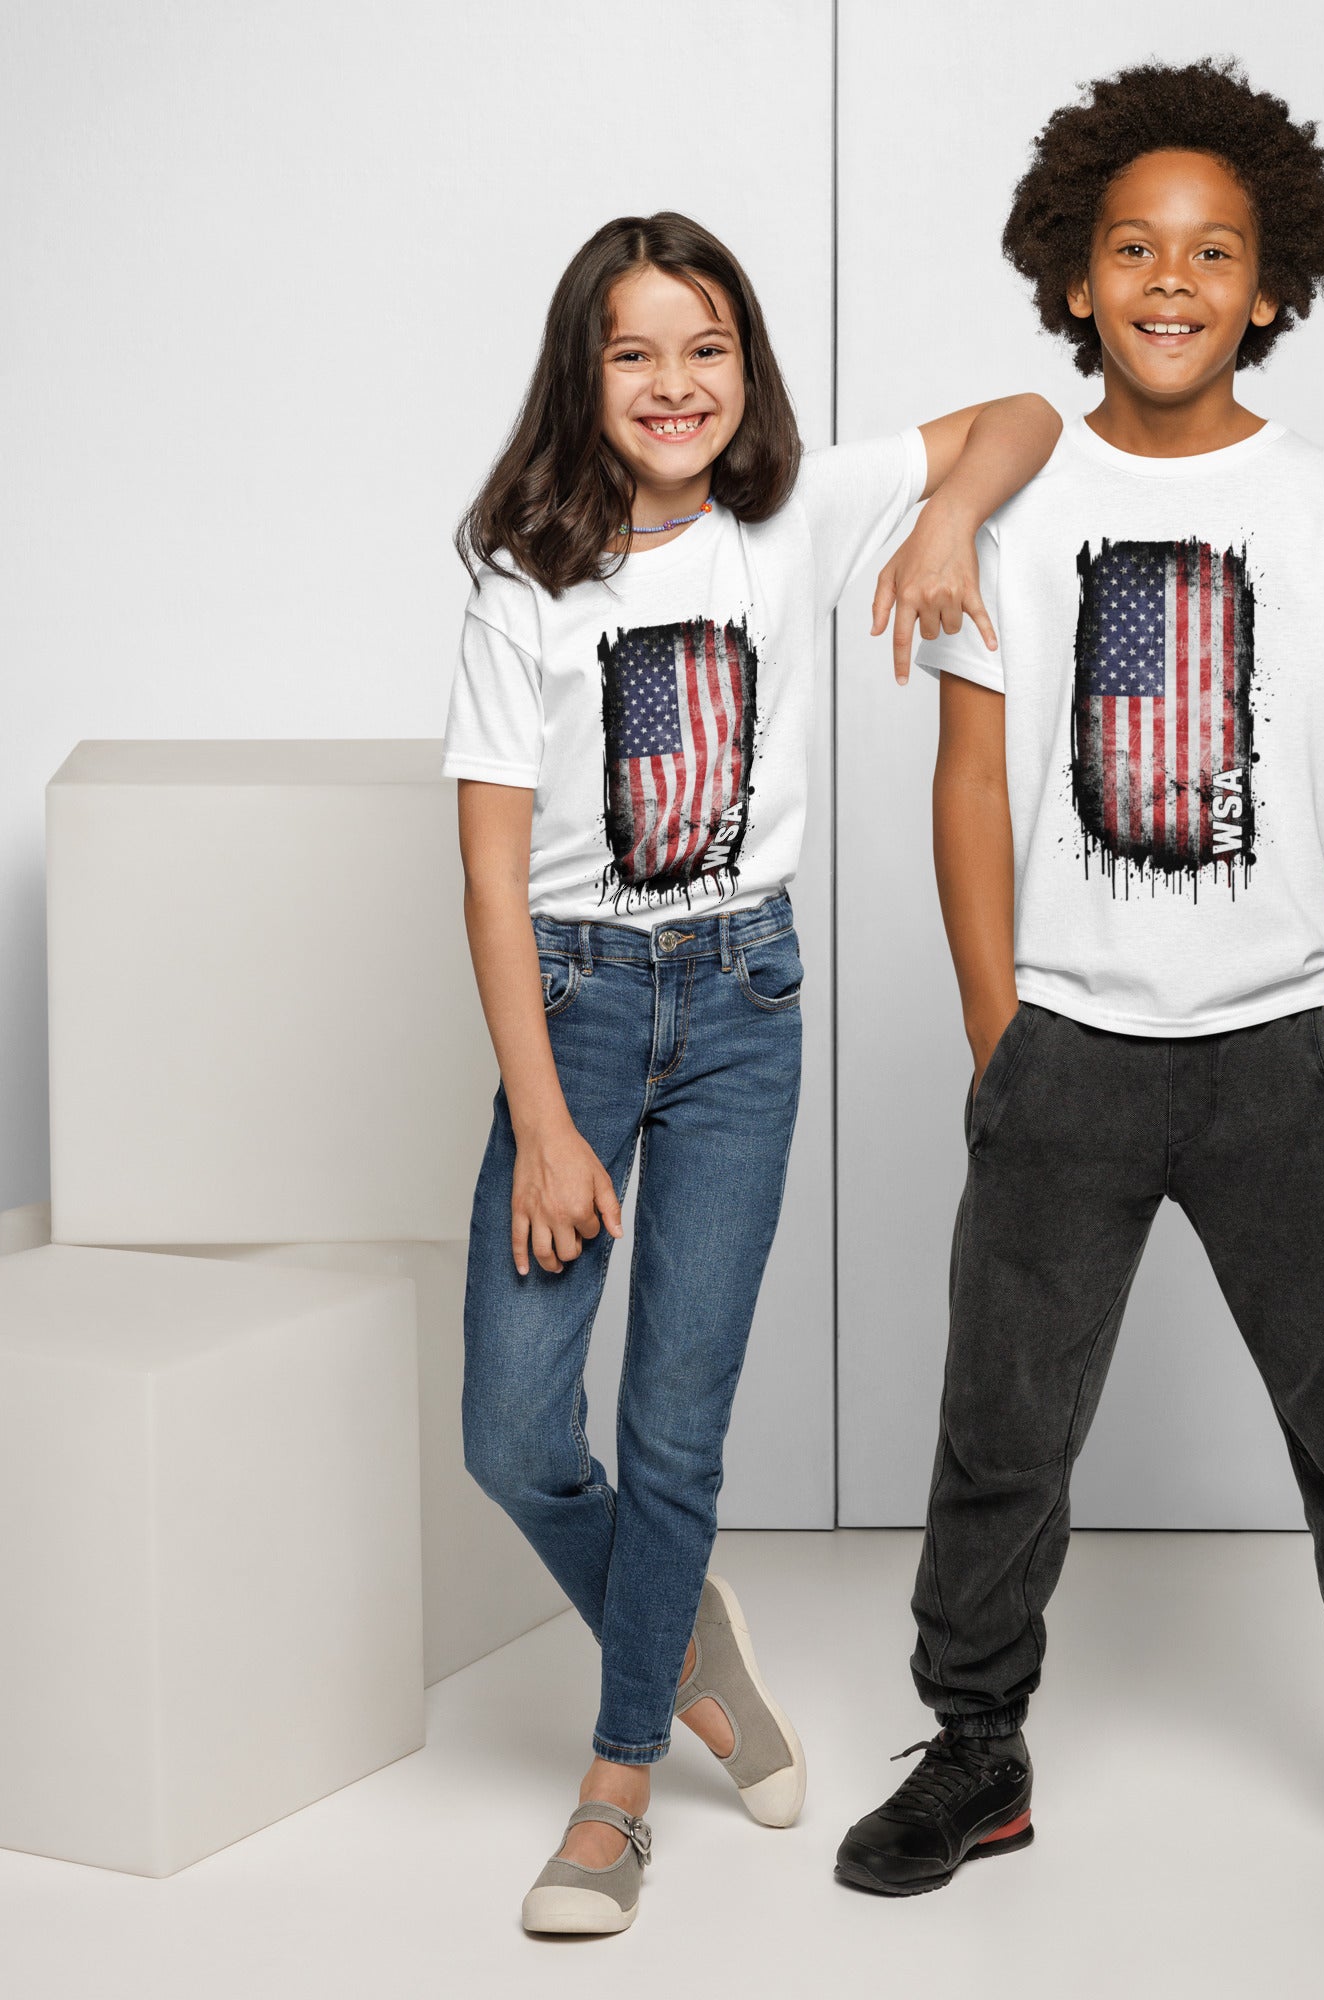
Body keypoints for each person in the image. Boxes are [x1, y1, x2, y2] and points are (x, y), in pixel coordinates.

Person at [834, 62, 1324, 1926]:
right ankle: (976, 1747)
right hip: (1070, 1051)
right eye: (1134, 248)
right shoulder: (1012, 503)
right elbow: (972, 776)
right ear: (1075, 277)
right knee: (1002, 1427)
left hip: (1280, 1046)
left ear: (1271, 285)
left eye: (1214, 252)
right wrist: (1000, 1027)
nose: (1173, 280)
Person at [445, 210, 1058, 1937]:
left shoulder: (791, 512)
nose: (675, 383)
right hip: (572, 1003)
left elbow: (1026, 416)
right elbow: (489, 871)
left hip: (741, 1004)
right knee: (513, 1427)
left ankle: (617, 1790)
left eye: (705, 348)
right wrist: (544, 1122)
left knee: (674, 1425)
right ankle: (682, 1631)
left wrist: (943, 514)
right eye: (634, 352)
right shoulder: (524, 574)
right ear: (583, 374)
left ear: (747, 365)